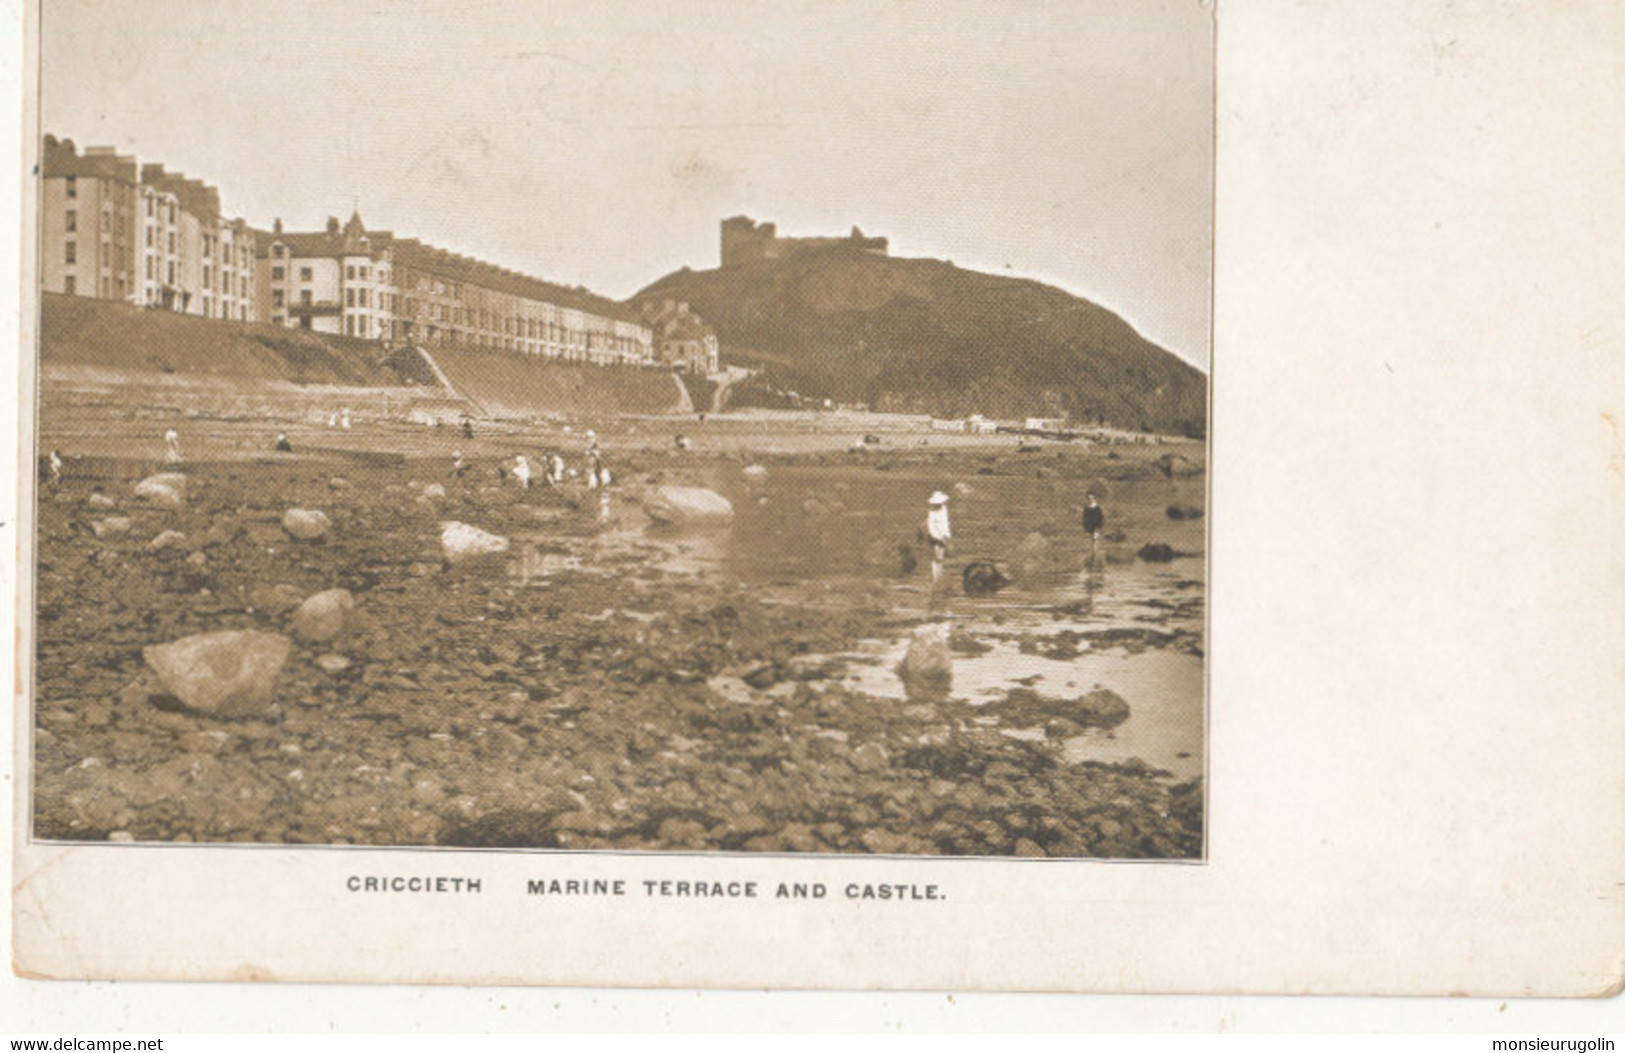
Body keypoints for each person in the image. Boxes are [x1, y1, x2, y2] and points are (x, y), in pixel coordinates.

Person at [925, 491, 952, 583]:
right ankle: (936, 578)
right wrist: (940, 539)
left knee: (941, 557)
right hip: (934, 537)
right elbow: (931, 528)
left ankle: (939, 576)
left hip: (943, 536)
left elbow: (945, 524)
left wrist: (947, 536)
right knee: (937, 557)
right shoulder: (932, 513)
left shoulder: (944, 509)